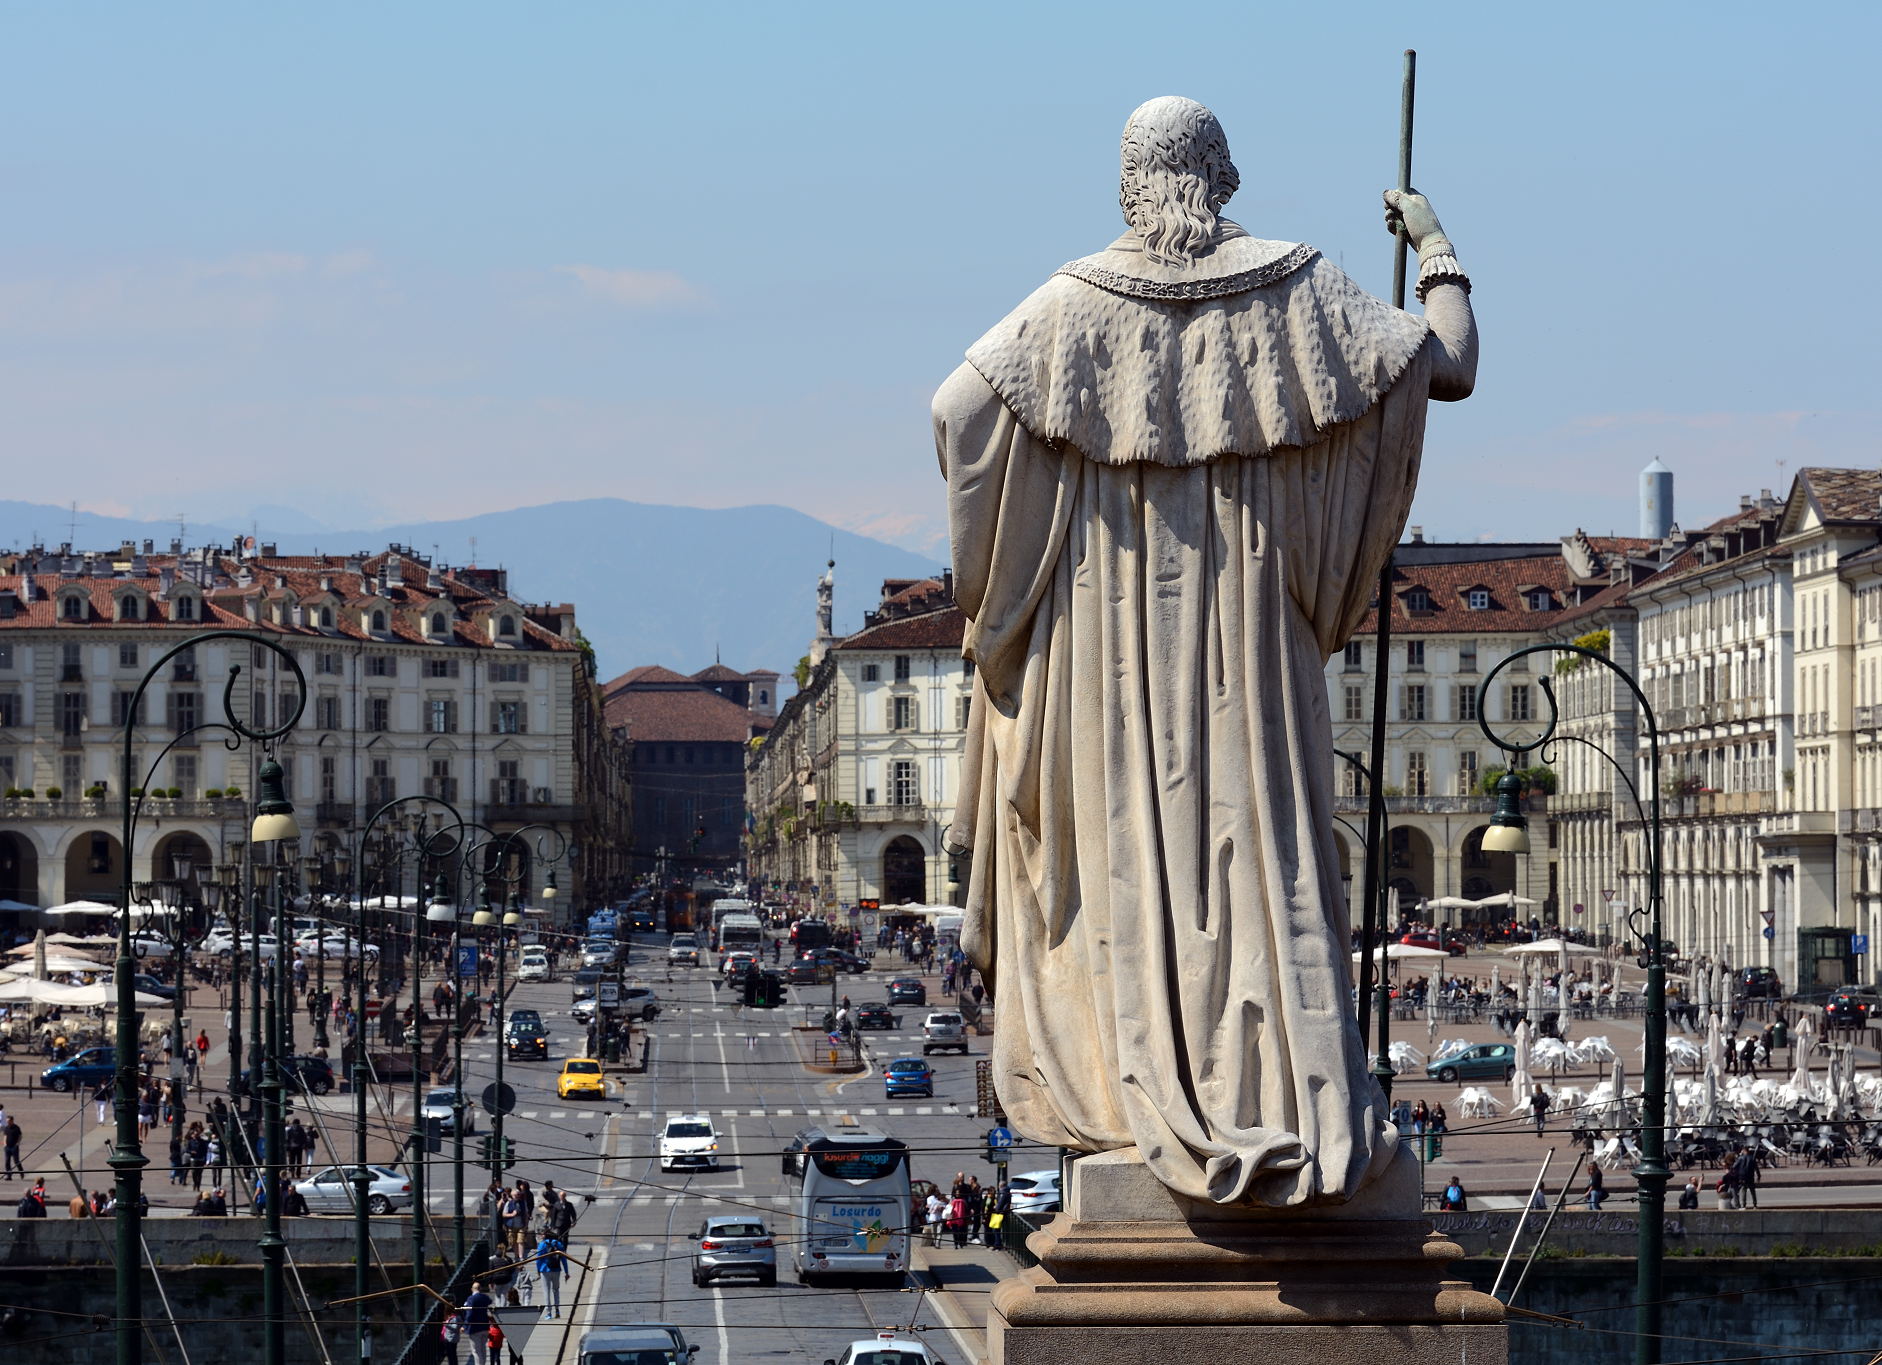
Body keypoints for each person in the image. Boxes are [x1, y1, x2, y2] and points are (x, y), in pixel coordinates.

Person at [933, 98, 1478, 1209]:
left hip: (1112, 656)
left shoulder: (1070, 304)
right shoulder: (1300, 287)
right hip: (1254, 648)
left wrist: (1018, 559)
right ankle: (1283, 1087)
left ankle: (1139, 1091)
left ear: (1128, 185)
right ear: (1223, 176)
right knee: (1262, 848)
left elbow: (956, 412)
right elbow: (1450, 365)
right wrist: (1435, 247)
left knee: (1130, 861)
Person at [461, 1282, 494, 1365]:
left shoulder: (471, 1299)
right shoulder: (484, 1297)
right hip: (485, 1325)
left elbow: (469, 1313)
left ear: (472, 1289)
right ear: (481, 1289)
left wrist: (465, 1326)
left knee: (476, 1350)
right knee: (483, 1348)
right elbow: (490, 1301)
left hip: (475, 1328)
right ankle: (483, 1363)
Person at [535, 1233, 567, 1318]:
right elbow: (563, 1258)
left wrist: (538, 1270)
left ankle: (549, 1313)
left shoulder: (542, 1244)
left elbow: (538, 1259)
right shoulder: (558, 1243)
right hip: (556, 1270)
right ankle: (557, 1310)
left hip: (545, 1270)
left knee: (546, 1291)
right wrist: (566, 1272)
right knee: (556, 1290)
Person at [3, 1114, 21, 1180]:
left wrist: (17, 1143)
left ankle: (21, 1172)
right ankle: (9, 1176)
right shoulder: (6, 1128)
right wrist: (5, 1143)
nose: (7, 1122)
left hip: (14, 1147)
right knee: (7, 1162)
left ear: (12, 1121)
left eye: (8, 1121)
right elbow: (5, 1135)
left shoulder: (16, 1128)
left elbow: (20, 1136)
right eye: (7, 1121)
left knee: (16, 1161)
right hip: (7, 1147)